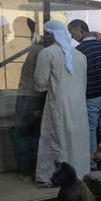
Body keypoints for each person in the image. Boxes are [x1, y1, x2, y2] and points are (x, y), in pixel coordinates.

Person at [34, 20, 90, 188]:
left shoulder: (47, 53)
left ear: (50, 35)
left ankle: (50, 177)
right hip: (79, 106)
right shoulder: (80, 56)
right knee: (76, 140)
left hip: (57, 104)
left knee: (54, 139)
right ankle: (78, 174)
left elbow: (40, 83)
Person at [67, 19, 101, 169]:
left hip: (92, 95)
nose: (72, 36)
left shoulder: (80, 50)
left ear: (81, 30)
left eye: (72, 32)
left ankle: (94, 161)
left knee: (91, 129)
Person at [9, 17, 44, 181]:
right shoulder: (38, 50)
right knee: (34, 134)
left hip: (24, 96)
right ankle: (35, 169)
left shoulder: (11, 47)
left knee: (21, 133)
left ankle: (26, 171)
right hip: (35, 96)